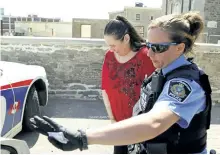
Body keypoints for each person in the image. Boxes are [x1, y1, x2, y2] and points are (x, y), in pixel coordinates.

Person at [30, 11, 214, 154]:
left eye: (157, 48)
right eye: (149, 46)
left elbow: (154, 123)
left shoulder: (186, 84)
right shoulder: (163, 72)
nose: (149, 54)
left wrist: (82, 138)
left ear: (180, 48)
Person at [101, 15, 155, 153]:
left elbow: (155, 92)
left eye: (114, 45)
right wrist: (112, 119)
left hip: (140, 125)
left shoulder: (145, 56)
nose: (111, 49)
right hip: (118, 125)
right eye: (109, 45)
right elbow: (105, 89)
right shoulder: (109, 56)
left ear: (126, 38)